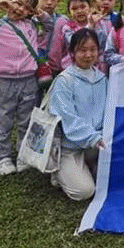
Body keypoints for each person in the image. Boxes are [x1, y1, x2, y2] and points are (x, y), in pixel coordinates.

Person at [0, 0, 52, 175]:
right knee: (4, 121)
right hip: (5, 81)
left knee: (26, 120)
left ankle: (22, 154)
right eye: (17, 3)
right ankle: (2, 156)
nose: (20, 9)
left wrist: (39, 14)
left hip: (29, 81)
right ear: (9, 1)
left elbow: (49, 25)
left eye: (26, 8)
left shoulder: (32, 26)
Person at [48, 28, 107, 200]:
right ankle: (58, 169)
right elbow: (68, 118)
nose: (88, 55)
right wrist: (93, 138)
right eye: (82, 50)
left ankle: (87, 165)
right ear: (72, 52)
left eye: (93, 49)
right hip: (70, 147)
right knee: (84, 191)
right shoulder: (64, 80)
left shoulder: (103, 79)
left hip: (95, 144)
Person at [61, 0, 107, 71]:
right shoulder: (68, 28)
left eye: (83, 7)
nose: (79, 11)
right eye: (74, 9)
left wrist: (96, 26)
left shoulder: (99, 23)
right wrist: (90, 27)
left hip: (97, 66)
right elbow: (74, 43)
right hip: (76, 67)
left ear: (90, 7)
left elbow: (103, 43)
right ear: (69, 11)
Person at [36, 0, 68, 77]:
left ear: (58, 1)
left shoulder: (63, 21)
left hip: (56, 69)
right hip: (34, 68)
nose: (49, 2)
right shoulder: (31, 20)